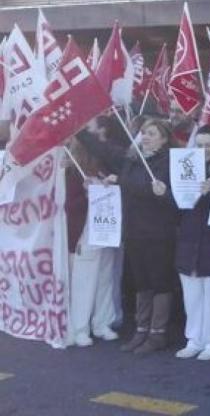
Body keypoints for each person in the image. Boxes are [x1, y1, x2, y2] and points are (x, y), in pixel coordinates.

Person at [80, 118, 179, 355]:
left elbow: (174, 199)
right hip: (134, 231)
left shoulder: (171, 162)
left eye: (152, 133)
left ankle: (158, 333)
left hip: (159, 233)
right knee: (141, 281)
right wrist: (81, 132)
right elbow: (104, 150)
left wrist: (126, 183)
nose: (145, 136)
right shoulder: (133, 160)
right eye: (144, 132)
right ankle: (142, 329)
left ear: (164, 139)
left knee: (160, 282)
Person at [175, 125, 210, 361]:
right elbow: (176, 204)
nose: (204, 149)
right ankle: (194, 338)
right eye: (200, 145)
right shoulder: (184, 167)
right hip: (189, 236)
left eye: (209, 145)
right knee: (192, 293)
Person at [65, 139, 119, 347]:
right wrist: (87, 195)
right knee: (84, 282)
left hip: (106, 231)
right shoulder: (73, 173)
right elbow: (68, 206)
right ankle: (80, 328)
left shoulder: (103, 170)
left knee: (106, 279)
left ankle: (102, 322)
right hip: (85, 233)